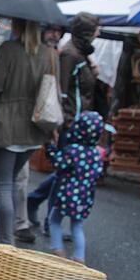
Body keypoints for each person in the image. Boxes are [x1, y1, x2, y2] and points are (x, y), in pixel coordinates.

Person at [0, 18, 52, 245]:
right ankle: (9, 239)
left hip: (7, 125)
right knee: (10, 182)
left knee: (4, 187)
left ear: (17, 26)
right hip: (34, 128)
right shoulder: (48, 53)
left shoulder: (9, 49)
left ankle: (6, 243)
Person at [46, 111, 107, 264]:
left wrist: (50, 148)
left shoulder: (73, 150)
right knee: (77, 227)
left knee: (54, 220)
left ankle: (57, 250)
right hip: (84, 197)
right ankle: (79, 258)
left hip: (66, 194)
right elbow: (98, 173)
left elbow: (58, 162)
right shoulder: (95, 154)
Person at [25, 24, 66, 232]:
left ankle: (36, 204)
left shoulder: (57, 53)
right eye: (51, 30)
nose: (55, 34)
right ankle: (50, 221)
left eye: (59, 31)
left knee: (63, 171)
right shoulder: (52, 54)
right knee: (14, 171)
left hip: (53, 116)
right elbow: (57, 89)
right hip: (44, 116)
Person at [60, 13, 100, 127]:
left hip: (80, 121)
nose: (98, 34)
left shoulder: (82, 53)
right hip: (72, 123)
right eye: (95, 30)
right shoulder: (70, 55)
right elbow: (63, 91)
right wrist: (67, 122)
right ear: (86, 33)